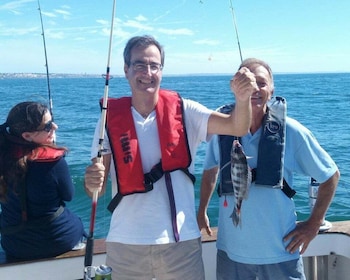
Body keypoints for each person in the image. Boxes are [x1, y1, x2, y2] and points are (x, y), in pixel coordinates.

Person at [84, 35, 254, 280]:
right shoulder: (109, 118)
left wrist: (243, 98)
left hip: (181, 243)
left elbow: (237, 127)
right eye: (140, 64)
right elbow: (95, 190)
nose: (148, 72)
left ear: (161, 71)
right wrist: (91, 181)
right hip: (125, 244)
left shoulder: (186, 110)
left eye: (155, 65)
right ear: (126, 69)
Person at [197, 58, 340, 280]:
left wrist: (313, 224)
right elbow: (209, 172)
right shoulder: (220, 130)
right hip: (231, 253)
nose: (254, 89)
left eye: (261, 83)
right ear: (236, 86)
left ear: (272, 91)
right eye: (248, 82)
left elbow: (330, 175)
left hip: (281, 253)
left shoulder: (292, 131)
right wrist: (202, 210)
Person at [0, 102, 86, 260]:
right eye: (47, 126)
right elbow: (68, 195)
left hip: (14, 244)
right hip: (57, 240)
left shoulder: (3, 157)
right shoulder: (54, 162)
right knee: (78, 222)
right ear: (27, 136)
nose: (55, 127)